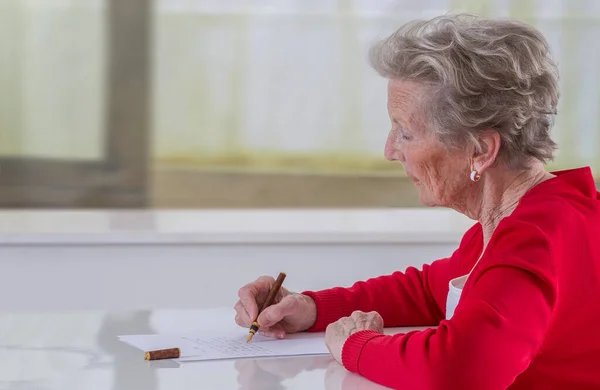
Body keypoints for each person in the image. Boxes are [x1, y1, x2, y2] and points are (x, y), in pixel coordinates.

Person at [234, 13, 600, 390]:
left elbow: (460, 367)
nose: (390, 150)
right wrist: (310, 309)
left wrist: (356, 346)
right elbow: (427, 291)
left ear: (480, 150)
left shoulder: (533, 239)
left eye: (405, 132)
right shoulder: (533, 218)